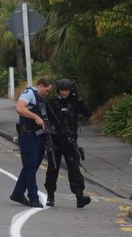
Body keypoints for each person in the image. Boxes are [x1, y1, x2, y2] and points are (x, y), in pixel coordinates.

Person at [44, 79, 92, 208]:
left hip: (70, 142)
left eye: (66, 90)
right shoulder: (52, 103)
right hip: (55, 141)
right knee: (53, 168)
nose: (64, 92)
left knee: (75, 169)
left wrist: (79, 99)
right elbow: (46, 120)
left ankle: (79, 196)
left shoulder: (75, 102)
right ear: (58, 90)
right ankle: (50, 196)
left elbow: (88, 112)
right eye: (62, 90)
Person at [10, 78, 53, 208]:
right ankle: (33, 198)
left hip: (38, 136)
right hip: (28, 136)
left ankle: (18, 193)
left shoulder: (41, 97)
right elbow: (19, 108)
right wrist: (36, 117)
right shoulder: (29, 93)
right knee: (30, 167)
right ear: (40, 86)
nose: (47, 92)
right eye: (47, 89)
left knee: (32, 166)